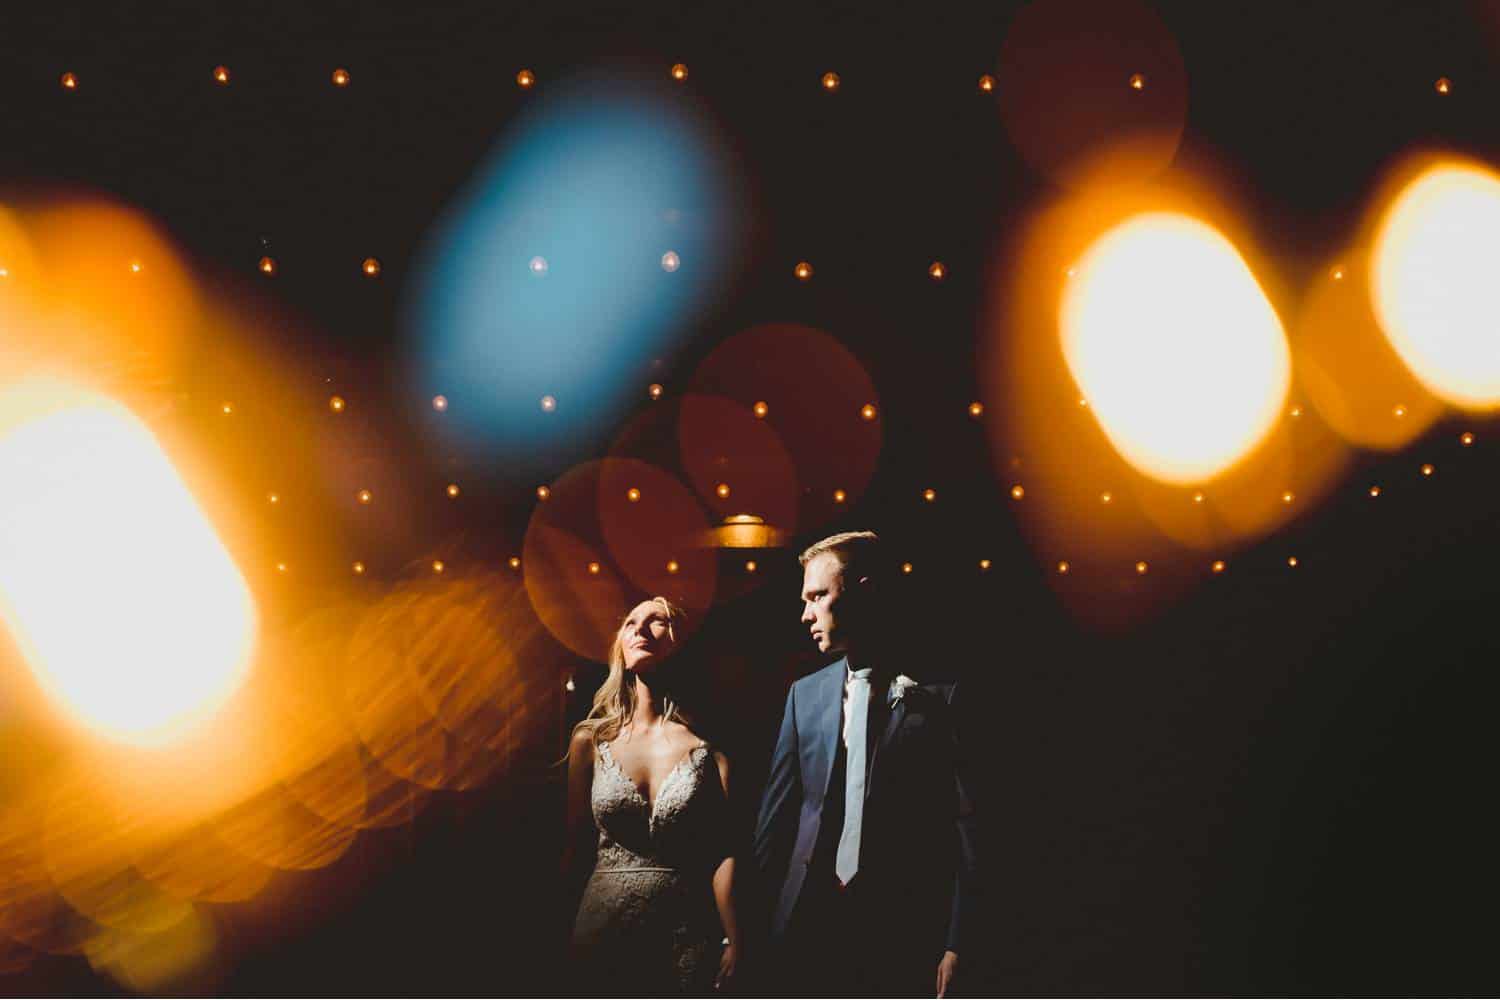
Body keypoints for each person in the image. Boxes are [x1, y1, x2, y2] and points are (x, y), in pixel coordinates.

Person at [754, 531, 979, 997]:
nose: (805, 613)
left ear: (863, 588)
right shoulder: (804, 695)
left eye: (819, 595)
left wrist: (958, 942)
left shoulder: (940, 693)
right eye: (805, 599)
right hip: (807, 918)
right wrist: (743, 932)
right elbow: (774, 823)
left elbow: (966, 826)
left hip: (903, 919)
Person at [564, 597, 742, 995]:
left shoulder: (710, 746)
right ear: (621, 648)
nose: (640, 629)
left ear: (682, 642)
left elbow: (724, 851)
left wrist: (735, 939)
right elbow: (573, 847)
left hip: (684, 930)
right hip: (601, 927)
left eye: (656, 620)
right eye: (630, 623)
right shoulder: (590, 741)